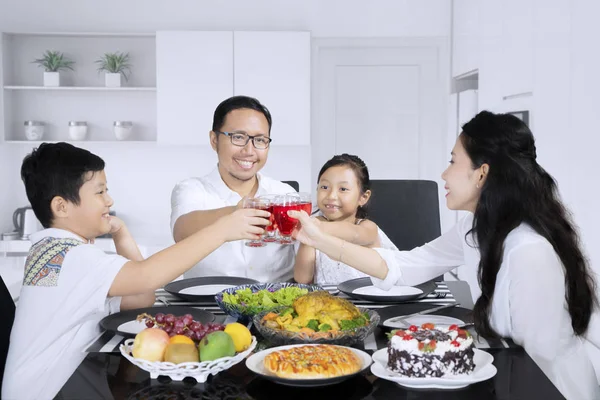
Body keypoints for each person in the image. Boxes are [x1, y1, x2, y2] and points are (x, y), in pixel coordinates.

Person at [289, 111, 599, 399]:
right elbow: (408, 266)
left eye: (453, 162)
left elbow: (535, 361)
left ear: (481, 174)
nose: (444, 174)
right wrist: (318, 239)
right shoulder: (476, 226)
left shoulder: (529, 253)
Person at [2, 143, 269, 400]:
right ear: (61, 206)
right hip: (50, 392)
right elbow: (147, 276)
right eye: (99, 192)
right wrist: (222, 230)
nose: (109, 200)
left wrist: (121, 234)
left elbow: (142, 297)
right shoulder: (72, 256)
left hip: (57, 385)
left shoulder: (53, 249)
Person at [170, 95, 296, 281]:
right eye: (238, 137)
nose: (249, 150)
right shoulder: (191, 190)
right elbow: (181, 231)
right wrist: (236, 212)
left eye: (260, 140)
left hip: (277, 306)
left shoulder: (285, 194)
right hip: (207, 305)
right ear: (214, 140)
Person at [294, 154, 397, 285]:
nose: (331, 195)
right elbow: (302, 279)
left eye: (343, 189)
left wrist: (317, 229)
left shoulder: (367, 227)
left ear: (363, 197)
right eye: (324, 187)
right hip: (328, 302)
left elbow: (354, 233)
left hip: (370, 302)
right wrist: (308, 237)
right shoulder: (314, 224)